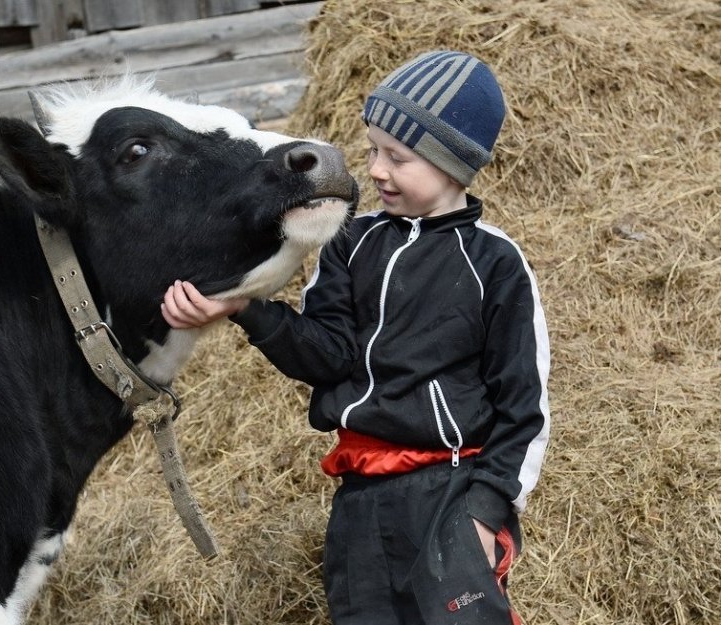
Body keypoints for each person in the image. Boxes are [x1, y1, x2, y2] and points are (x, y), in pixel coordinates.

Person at [162, 50, 550, 625]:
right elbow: (328, 355)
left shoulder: (495, 263)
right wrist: (248, 309)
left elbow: (524, 405)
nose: (374, 170)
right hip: (361, 498)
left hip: (451, 491)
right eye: (372, 149)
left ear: (452, 165)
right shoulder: (351, 242)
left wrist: (486, 510)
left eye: (397, 156)